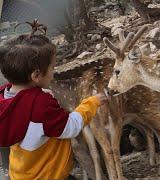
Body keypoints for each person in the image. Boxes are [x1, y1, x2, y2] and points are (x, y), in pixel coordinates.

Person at [0, 22, 108, 180]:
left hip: (21, 173)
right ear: (36, 76)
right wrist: (92, 103)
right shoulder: (41, 106)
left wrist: (37, 93)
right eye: (52, 68)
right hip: (48, 175)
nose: (53, 72)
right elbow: (70, 127)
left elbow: (25, 109)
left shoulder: (6, 97)